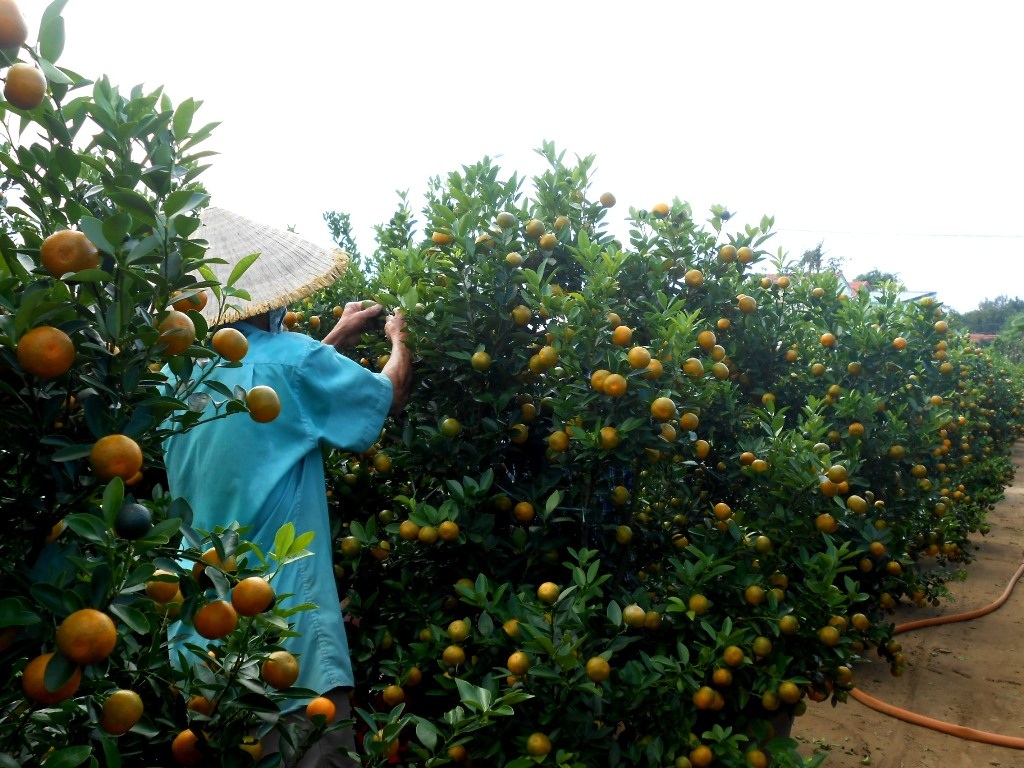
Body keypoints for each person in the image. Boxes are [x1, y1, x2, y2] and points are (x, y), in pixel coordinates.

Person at [162, 208, 412, 767]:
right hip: (287, 642)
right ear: (271, 299)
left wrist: (340, 333)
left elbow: (272, 402)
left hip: (202, 636)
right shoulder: (294, 360)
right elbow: (386, 395)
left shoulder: (175, 379)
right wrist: (398, 338)